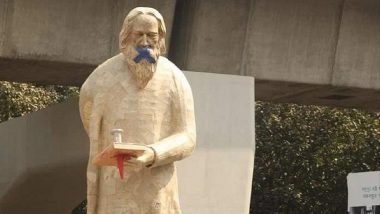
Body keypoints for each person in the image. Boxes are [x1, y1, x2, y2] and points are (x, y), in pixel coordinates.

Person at [79, 7, 196, 214]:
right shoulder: (101, 78)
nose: (144, 42)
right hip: (114, 185)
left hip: (157, 187)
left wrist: (152, 154)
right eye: (138, 35)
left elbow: (188, 137)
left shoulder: (174, 78)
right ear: (126, 36)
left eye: (151, 35)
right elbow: (90, 119)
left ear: (160, 38)